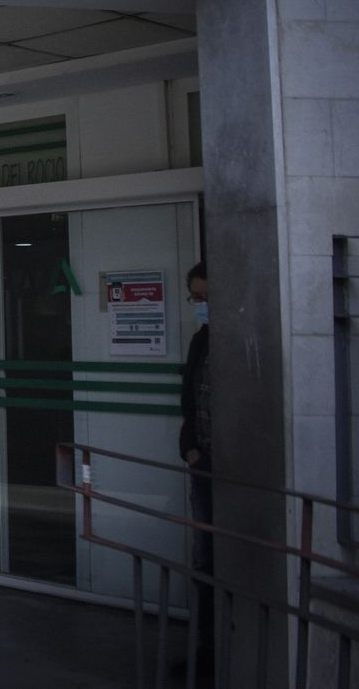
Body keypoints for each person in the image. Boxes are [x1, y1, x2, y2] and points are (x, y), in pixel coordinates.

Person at [178, 262, 214, 680]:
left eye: (206, 298)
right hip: (203, 462)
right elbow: (188, 397)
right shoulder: (199, 342)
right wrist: (189, 448)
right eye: (196, 299)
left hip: (238, 469)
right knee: (204, 559)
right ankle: (207, 650)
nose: (201, 306)